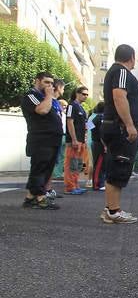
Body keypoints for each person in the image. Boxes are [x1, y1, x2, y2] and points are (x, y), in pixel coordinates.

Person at [101, 44, 138, 224]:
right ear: (132, 57)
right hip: (120, 128)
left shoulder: (117, 72)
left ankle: (111, 208)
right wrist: (129, 125)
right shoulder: (121, 72)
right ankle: (114, 211)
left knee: (117, 166)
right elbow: (119, 96)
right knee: (119, 166)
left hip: (117, 126)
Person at [20, 72, 62, 209]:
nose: (50, 86)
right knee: (40, 168)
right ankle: (40, 198)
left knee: (47, 169)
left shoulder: (46, 97)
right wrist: (50, 95)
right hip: (41, 139)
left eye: (51, 83)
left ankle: (30, 197)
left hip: (52, 139)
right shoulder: (31, 96)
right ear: (37, 81)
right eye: (46, 82)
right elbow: (42, 110)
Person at [64, 86, 90, 195]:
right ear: (77, 93)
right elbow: (70, 122)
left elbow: (85, 124)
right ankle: (70, 187)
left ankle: (75, 185)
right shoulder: (71, 106)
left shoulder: (81, 108)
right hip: (74, 140)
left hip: (81, 140)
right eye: (84, 94)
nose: (86, 96)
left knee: (78, 165)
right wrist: (74, 139)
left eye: (87, 95)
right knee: (71, 164)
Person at [89, 102, 106, 191]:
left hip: (95, 141)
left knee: (98, 163)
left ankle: (99, 183)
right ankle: (98, 184)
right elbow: (102, 133)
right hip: (100, 143)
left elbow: (89, 127)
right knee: (99, 164)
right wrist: (105, 144)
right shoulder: (101, 118)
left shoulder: (95, 117)